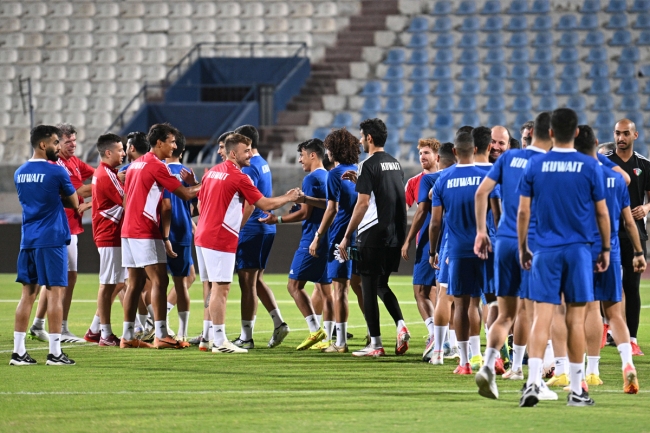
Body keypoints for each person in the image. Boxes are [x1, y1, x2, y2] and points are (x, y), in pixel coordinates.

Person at [518, 108, 610, 407]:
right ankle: (577, 390)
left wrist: (523, 246)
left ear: (550, 133)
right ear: (577, 133)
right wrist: (605, 249)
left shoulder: (535, 165)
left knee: (542, 316)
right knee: (576, 319)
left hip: (544, 250)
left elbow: (523, 211)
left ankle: (532, 383)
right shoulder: (590, 166)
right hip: (579, 251)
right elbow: (602, 213)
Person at [194, 133, 300, 354]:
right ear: (234, 154)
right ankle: (219, 341)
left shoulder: (211, 172)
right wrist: (288, 197)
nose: (251, 154)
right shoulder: (239, 177)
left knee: (215, 286)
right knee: (221, 288)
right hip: (220, 237)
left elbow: (200, 204)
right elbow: (264, 203)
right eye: (246, 150)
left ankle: (207, 338)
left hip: (204, 235)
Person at [474, 113, 554, 399]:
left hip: (504, 242)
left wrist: (481, 232)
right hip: (532, 245)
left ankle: (487, 365)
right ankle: (534, 382)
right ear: (551, 134)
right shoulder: (548, 164)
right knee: (535, 315)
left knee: (505, 314)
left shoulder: (508, 158)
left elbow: (481, 194)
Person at [120, 123, 200, 350]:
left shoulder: (136, 164)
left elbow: (126, 199)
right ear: (159, 143)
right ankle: (162, 334)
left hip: (128, 230)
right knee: (160, 280)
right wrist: (207, 183)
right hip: (145, 230)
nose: (174, 146)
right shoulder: (157, 166)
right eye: (172, 142)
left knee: (135, 282)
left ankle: (127, 336)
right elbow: (185, 194)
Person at [576, 125, 642, 394]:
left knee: (591, 309)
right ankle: (628, 364)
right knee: (615, 312)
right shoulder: (615, 178)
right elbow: (629, 222)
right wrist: (638, 252)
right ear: (596, 144)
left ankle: (591, 371)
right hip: (612, 249)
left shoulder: (576, 177)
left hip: (584, 250)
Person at [338, 118, 410, 357]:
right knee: (381, 284)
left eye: (361, 136)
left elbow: (363, 203)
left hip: (372, 233)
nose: (360, 141)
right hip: (395, 233)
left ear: (369, 137)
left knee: (367, 287)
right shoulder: (395, 163)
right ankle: (401, 325)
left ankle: (376, 345)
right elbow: (386, 194)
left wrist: (347, 235)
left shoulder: (367, 165)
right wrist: (360, 182)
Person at [11, 125, 79, 366]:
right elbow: (74, 202)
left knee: (27, 295)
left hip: (28, 239)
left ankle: (18, 353)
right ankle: (55, 353)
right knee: (55, 293)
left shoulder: (19, 172)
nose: (58, 147)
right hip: (51, 239)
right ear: (43, 144)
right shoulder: (57, 171)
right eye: (55, 142)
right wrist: (59, 196)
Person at [260, 139, 333, 350]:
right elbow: (329, 206)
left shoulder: (311, 179)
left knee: (294, 285)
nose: (300, 159)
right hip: (328, 237)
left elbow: (305, 213)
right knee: (326, 290)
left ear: (313, 155)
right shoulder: (328, 176)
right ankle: (329, 337)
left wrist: (278, 219)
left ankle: (315, 329)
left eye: (302, 155)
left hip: (312, 238)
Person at [428, 132, 488, 374]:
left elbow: (435, 222)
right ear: (475, 150)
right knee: (481, 303)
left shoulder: (443, 178)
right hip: (484, 249)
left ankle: (463, 362)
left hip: (456, 250)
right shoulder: (486, 176)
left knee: (460, 305)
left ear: (454, 152)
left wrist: (433, 251)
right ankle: (482, 355)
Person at [28, 123, 94, 344]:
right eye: (67, 141)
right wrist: (107, 185)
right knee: (57, 279)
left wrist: (105, 180)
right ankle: (57, 328)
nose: (72, 145)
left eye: (74, 140)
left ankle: (40, 324)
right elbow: (78, 191)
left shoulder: (74, 162)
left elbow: (96, 175)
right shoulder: (56, 165)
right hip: (59, 226)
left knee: (65, 277)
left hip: (70, 225)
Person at [309, 129, 364, 353]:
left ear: (335, 150)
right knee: (359, 287)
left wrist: (317, 236)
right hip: (361, 237)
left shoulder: (334, 174)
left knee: (340, 290)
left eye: (329, 148)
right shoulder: (360, 171)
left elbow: (331, 209)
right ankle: (373, 334)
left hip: (342, 237)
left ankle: (340, 342)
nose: (327, 152)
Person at [233, 125, 288, 349]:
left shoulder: (249, 167)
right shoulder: (262, 163)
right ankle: (279, 322)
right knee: (256, 280)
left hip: (252, 229)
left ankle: (246, 337)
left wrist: (237, 228)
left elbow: (249, 203)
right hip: (266, 228)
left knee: (246, 283)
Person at [604, 119, 650, 356]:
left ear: (635, 135)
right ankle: (605, 329)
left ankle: (631, 339)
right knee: (605, 284)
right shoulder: (605, 162)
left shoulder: (644, 164)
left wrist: (647, 208)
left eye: (625, 134)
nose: (620, 138)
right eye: (617, 133)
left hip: (634, 234)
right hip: (607, 232)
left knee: (631, 287)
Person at [83, 134, 127, 346]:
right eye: (120, 150)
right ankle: (105, 334)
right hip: (109, 233)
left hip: (111, 233)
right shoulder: (106, 174)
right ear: (108, 152)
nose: (123, 153)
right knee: (108, 284)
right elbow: (126, 201)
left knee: (118, 282)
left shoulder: (107, 173)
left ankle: (95, 329)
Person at [401, 138, 440, 361]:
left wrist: (407, 240)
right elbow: (401, 208)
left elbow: (421, 211)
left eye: (426, 153)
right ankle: (445, 338)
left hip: (429, 242)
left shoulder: (430, 179)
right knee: (433, 291)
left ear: (437, 156)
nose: (422, 157)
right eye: (420, 153)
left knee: (425, 291)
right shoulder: (413, 182)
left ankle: (437, 335)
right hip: (435, 241)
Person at [161, 131, 198, 341]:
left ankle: (152, 325)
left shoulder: (156, 169)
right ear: (181, 151)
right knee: (182, 282)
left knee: (152, 283)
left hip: (158, 231)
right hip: (181, 231)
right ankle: (182, 333)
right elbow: (197, 206)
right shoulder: (187, 174)